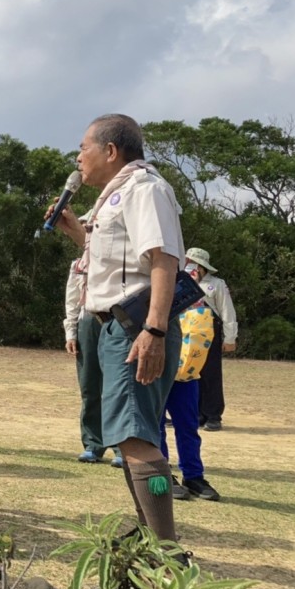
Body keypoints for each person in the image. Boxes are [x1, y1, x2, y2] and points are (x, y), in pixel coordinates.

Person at [53, 114, 185, 544]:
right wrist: (77, 233)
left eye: (83, 148)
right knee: (129, 437)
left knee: (134, 435)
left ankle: (165, 549)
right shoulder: (115, 196)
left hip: (135, 328)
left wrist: (155, 331)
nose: (78, 157)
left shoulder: (145, 190)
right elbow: (118, 265)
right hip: (114, 327)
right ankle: (150, 537)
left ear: (110, 151)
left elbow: (163, 261)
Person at [162, 275, 221, 503]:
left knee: (188, 425)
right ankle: (163, 475)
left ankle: (194, 476)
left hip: (187, 373)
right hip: (158, 365)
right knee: (155, 426)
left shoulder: (186, 284)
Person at [64, 245, 123, 468]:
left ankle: (121, 445)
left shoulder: (120, 259)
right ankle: (92, 444)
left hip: (116, 318)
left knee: (116, 385)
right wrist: (71, 331)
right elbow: (71, 298)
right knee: (89, 384)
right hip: (87, 320)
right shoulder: (79, 265)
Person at [184, 247, 237, 431]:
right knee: (188, 372)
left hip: (209, 329)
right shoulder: (182, 282)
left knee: (211, 373)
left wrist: (230, 337)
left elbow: (227, 311)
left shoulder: (216, 284)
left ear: (200, 266)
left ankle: (213, 415)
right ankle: (196, 413)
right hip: (187, 329)